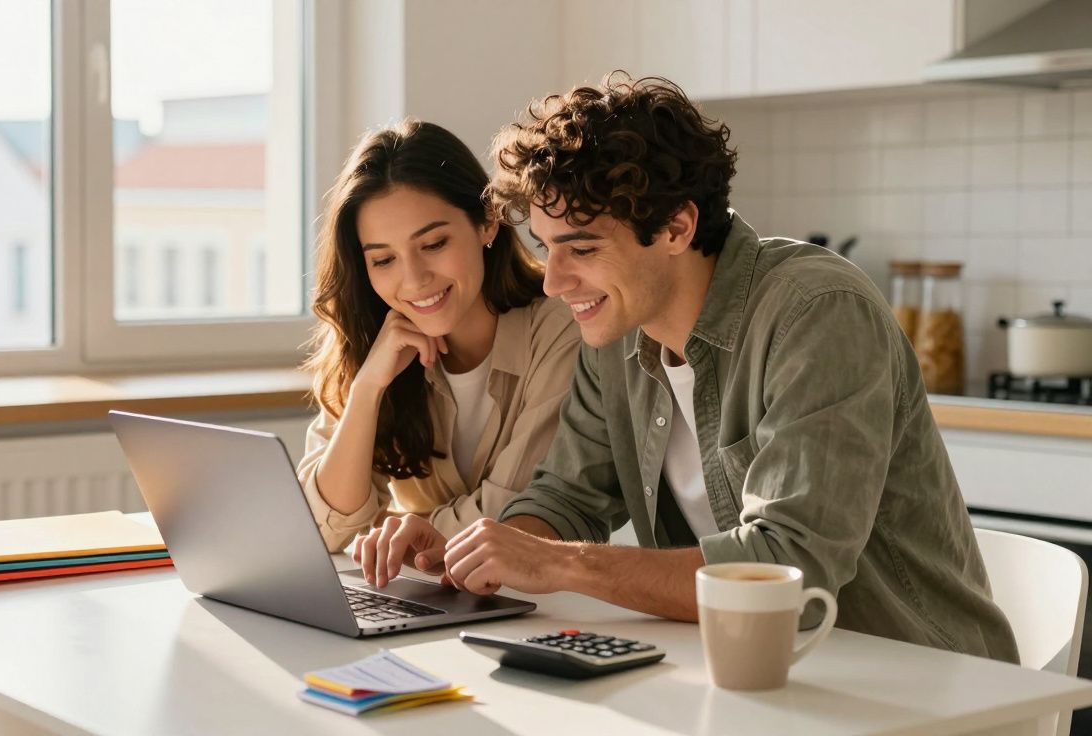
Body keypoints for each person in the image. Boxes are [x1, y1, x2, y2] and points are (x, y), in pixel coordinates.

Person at [361, 75, 1019, 662]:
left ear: (677, 227)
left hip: (916, 683)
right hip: (757, 674)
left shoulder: (816, 312)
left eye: (582, 247)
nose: (555, 281)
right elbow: (567, 499)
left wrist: (566, 564)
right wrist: (478, 553)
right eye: (546, 247)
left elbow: (790, 565)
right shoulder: (615, 334)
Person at [298, 119, 581, 572]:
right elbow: (322, 527)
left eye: (433, 243)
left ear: (487, 222)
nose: (413, 279)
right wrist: (368, 389)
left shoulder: (559, 329)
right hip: (429, 597)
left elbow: (517, 512)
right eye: (384, 259)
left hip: (535, 600)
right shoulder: (376, 343)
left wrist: (401, 527)